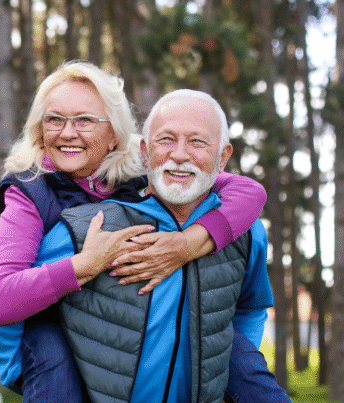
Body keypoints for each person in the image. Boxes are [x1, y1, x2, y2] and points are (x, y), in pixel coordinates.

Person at [0, 60, 268, 402]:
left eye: (84, 120)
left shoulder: (140, 170)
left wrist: (187, 244)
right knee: (55, 363)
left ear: (115, 134)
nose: (67, 133)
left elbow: (249, 192)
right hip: (36, 323)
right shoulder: (30, 191)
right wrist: (88, 263)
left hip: (94, 325)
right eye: (54, 119)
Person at [56, 89, 290, 402]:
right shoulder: (88, 227)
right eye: (166, 139)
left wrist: (224, 372)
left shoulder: (247, 233)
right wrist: (23, 370)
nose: (180, 154)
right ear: (145, 150)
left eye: (198, 142)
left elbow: (250, 307)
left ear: (223, 158)